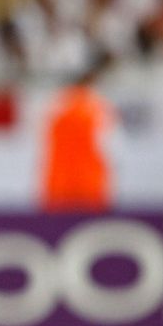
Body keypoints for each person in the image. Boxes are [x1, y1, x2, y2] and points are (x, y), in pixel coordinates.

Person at [40, 57, 116, 212]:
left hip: (59, 184)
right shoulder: (96, 106)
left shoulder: (54, 105)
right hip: (89, 184)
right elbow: (106, 145)